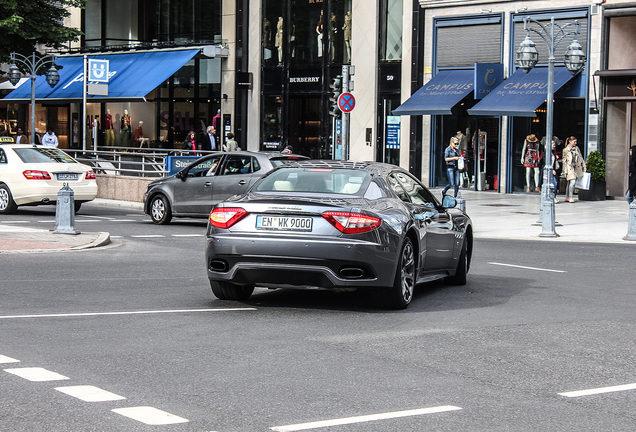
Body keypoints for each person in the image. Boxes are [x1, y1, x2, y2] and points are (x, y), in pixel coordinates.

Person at [562, 136, 586, 203]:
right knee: (572, 182)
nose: (575, 143)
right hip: (570, 168)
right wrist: (565, 171)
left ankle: (567, 197)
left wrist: (584, 165)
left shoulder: (576, 148)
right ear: (570, 141)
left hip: (576, 167)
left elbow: (580, 157)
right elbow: (564, 161)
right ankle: (570, 196)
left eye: (576, 141)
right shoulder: (566, 150)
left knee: (570, 182)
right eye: (574, 141)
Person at [540, 136, 561, 203]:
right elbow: (546, 163)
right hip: (547, 171)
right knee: (547, 184)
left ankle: (553, 197)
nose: (554, 146)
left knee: (555, 183)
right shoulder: (546, 153)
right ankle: (548, 197)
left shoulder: (554, 153)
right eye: (553, 145)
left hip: (553, 170)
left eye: (554, 145)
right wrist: (552, 170)